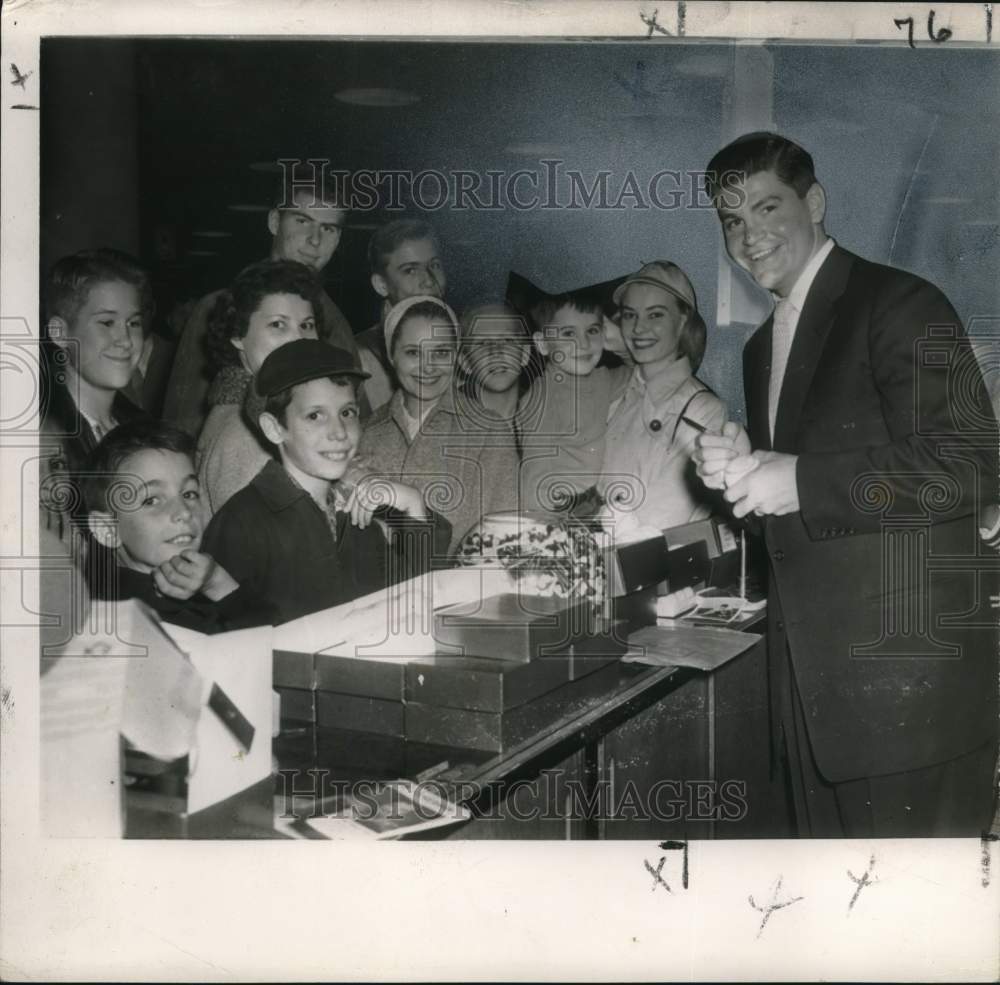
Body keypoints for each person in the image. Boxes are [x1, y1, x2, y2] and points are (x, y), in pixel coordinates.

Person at [693, 131, 999, 838]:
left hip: (907, 703)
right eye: (732, 220)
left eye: (768, 208)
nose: (749, 236)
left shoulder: (899, 301)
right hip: (812, 700)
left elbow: (971, 463)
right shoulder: (762, 345)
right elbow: (804, 513)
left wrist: (797, 478)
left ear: (816, 202)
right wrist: (740, 471)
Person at [201, 340, 449, 624]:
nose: (339, 432)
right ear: (274, 428)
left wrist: (413, 503)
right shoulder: (241, 523)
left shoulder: (358, 517)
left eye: (347, 413)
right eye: (315, 415)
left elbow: (415, 606)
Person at [162, 166, 363, 438]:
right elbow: (180, 426)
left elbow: (358, 417)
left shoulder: (336, 322)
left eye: (327, 228)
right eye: (302, 221)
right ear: (274, 222)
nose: (314, 240)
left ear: (338, 238)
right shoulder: (218, 308)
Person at [356, 295, 520, 554]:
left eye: (441, 352)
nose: (428, 367)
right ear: (391, 355)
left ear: (455, 355)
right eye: (413, 352)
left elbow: (503, 540)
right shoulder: (363, 432)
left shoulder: (489, 432)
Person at [80, 419, 272, 632]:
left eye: (189, 494)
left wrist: (217, 582)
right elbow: (277, 652)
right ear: (107, 530)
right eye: (152, 500)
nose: (183, 511)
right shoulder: (141, 623)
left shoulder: (189, 593)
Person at [599, 261, 726, 533]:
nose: (638, 328)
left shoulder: (702, 409)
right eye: (630, 315)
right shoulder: (618, 390)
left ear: (682, 323)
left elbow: (657, 526)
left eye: (655, 315)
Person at [195, 259, 326, 515]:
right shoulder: (247, 430)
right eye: (278, 324)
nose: (299, 339)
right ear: (237, 335)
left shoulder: (261, 407)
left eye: (307, 325)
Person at [40, 249, 151, 547]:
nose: (126, 340)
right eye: (106, 323)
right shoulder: (43, 442)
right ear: (60, 333)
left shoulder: (143, 428)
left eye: (134, 323)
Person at [520, 289, 630, 516]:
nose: (584, 343)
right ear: (543, 344)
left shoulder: (602, 378)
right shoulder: (541, 397)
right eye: (569, 333)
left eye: (592, 330)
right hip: (559, 506)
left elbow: (641, 373)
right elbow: (533, 473)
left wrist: (620, 343)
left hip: (597, 500)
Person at [354, 219, 447, 410]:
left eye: (435, 265)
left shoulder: (462, 340)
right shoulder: (360, 356)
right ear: (381, 285)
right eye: (411, 270)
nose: (429, 281)